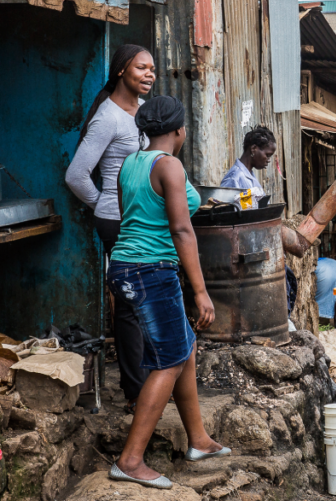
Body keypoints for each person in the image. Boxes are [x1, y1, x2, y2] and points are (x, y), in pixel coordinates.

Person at [106, 96, 226, 489]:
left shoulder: (130, 163)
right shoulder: (169, 166)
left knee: (183, 346)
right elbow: (181, 230)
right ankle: (130, 460)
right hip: (151, 271)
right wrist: (201, 291)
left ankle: (199, 440)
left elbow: (129, 216)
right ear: (179, 130)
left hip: (123, 266)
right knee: (170, 361)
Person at [65, 44, 155, 413]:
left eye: (152, 69)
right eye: (141, 68)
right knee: (130, 305)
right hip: (118, 221)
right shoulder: (108, 118)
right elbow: (76, 176)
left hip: (140, 219)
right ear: (121, 70)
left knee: (145, 300)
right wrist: (105, 204)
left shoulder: (143, 111)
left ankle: (149, 382)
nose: (149, 74)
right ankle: (136, 392)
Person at [219, 126, 276, 200]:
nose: (269, 160)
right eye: (267, 155)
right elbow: (224, 206)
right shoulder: (234, 178)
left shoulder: (250, 176)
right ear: (253, 149)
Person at [315, 258, 336, 326]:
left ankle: (321, 323)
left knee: (314, 300)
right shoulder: (334, 263)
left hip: (323, 271)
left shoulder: (318, 262)